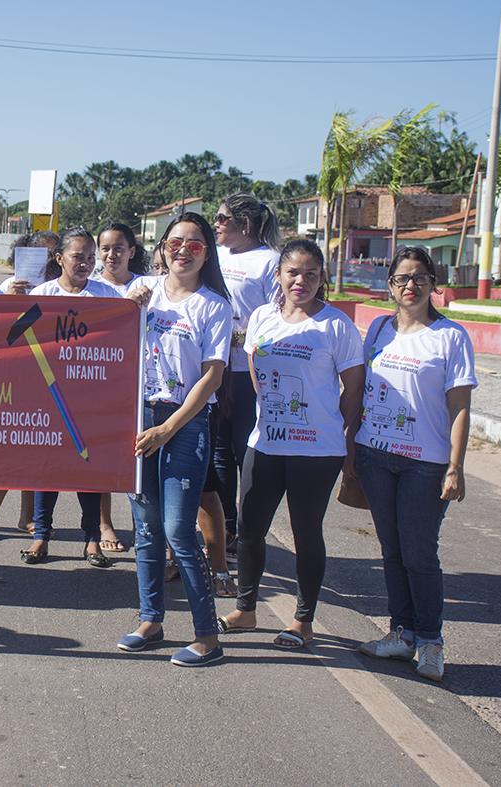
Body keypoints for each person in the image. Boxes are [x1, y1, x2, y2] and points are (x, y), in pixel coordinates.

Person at [218, 239, 364, 649]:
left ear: (322, 279)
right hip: (264, 444)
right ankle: (246, 609)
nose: (301, 281)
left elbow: (354, 389)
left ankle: (303, 620)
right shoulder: (263, 316)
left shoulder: (336, 326)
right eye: (293, 273)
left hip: (317, 452)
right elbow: (253, 368)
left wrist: (333, 427)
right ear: (279, 276)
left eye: (311, 274)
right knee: (249, 530)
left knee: (305, 533)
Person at [355, 247, 476, 682]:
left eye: (420, 278)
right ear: (390, 285)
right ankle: (401, 634)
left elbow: (460, 407)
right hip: (375, 456)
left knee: (420, 554)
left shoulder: (451, 337)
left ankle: (430, 641)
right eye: (403, 278)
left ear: (433, 284)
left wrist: (455, 466)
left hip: (425, 463)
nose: (411, 286)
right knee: (392, 552)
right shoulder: (378, 331)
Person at [117, 214, 231, 665]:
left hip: (184, 422)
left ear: (208, 252)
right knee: (145, 529)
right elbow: (106, 338)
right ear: (162, 246)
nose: (183, 249)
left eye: (195, 244)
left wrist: (169, 428)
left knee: (179, 531)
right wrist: (131, 305)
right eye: (175, 242)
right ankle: (150, 619)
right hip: (137, 416)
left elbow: (212, 377)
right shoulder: (141, 289)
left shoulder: (213, 305)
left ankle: (208, 637)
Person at [22, 228, 119, 567]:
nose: (86, 264)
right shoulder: (42, 294)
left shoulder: (108, 296)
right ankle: (41, 537)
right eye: (78, 257)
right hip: (47, 397)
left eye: (91, 258)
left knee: (87, 471)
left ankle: (92, 539)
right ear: (60, 259)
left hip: (91, 401)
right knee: (47, 470)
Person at [0, 231, 59, 542]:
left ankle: (28, 516)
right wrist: (9, 298)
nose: (45, 265)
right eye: (40, 257)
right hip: (9, 378)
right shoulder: (6, 288)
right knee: (3, 450)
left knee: (35, 449)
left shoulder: (60, 290)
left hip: (45, 378)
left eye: (51, 258)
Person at [212, 194, 281, 562]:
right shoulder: (216, 256)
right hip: (215, 370)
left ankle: (250, 532)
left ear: (246, 225)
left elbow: (276, 314)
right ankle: (226, 528)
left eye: (223, 219)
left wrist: (244, 339)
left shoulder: (269, 261)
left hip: (249, 373)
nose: (217, 224)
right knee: (219, 453)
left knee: (247, 454)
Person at [90, 221, 152, 553]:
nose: (111, 254)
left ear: (132, 251)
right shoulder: (90, 288)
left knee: (140, 461)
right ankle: (104, 524)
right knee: (102, 459)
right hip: (101, 386)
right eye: (105, 248)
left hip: (142, 386)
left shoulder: (150, 285)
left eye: (118, 248)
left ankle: (144, 528)